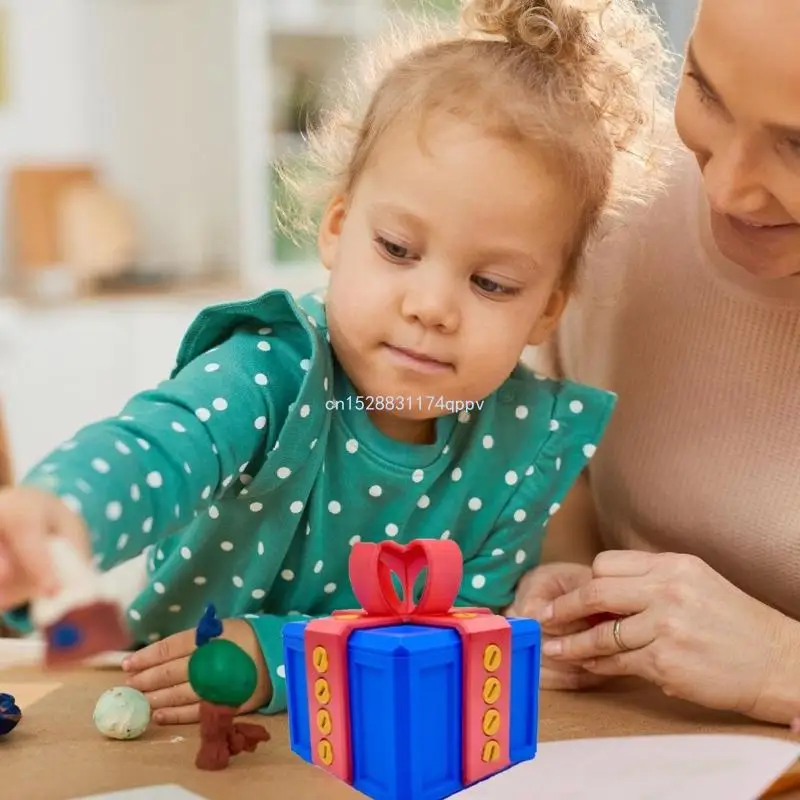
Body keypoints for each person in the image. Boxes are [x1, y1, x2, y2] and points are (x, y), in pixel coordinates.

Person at [0, 0, 668, 724]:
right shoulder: (272, 371)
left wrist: (284, 656)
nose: (431, 306)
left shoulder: (522, 446)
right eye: (398, 250)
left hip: (366, 741)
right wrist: (64, 509)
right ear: (339, 228)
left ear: (546, 309)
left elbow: (461, 633)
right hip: (170, 724)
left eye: (491, 283)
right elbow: (158, 448)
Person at [509, 0, 800, 726]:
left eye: (799, 145)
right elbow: (563, 446)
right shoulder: (617, 204)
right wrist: (569, 573)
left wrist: (782, 664)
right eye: (706, 90)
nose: (727, 188)